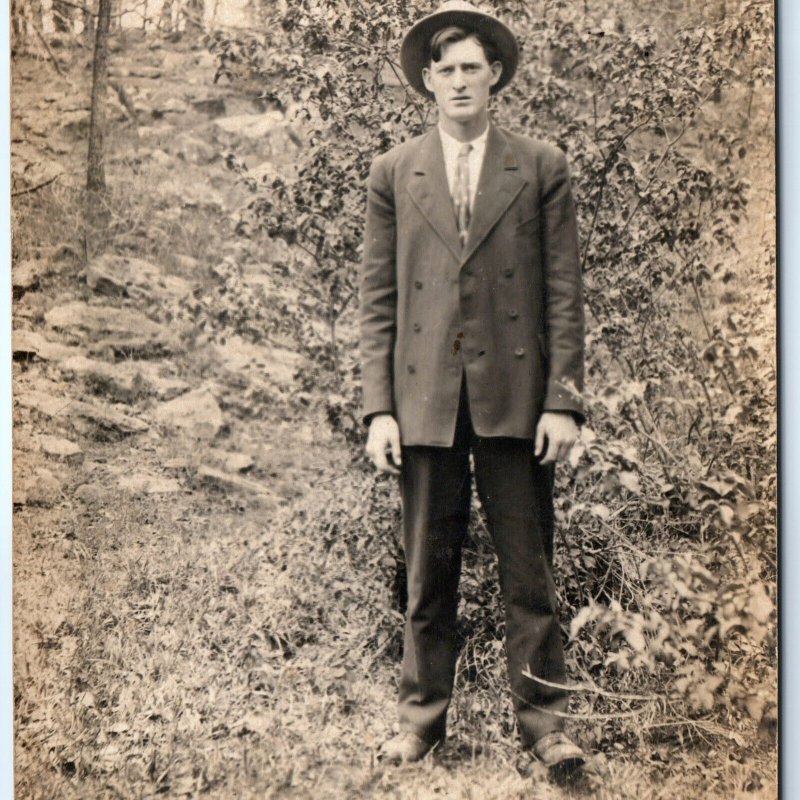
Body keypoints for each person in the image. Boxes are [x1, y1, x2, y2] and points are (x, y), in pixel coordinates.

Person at [359, 0, 586, 774]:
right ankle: (421, 719)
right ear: (428, 80)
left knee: (530, 573)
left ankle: (545, 726)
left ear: (495, 77)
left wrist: (562, 399)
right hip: (423, 400)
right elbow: (378, 302)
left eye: (472, 68)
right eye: (445, 68)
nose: (459, 81)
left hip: (516, 400)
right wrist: (378, 409)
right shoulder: (394, 172)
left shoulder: (541, 166)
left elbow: (563, 294)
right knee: (427, 575)